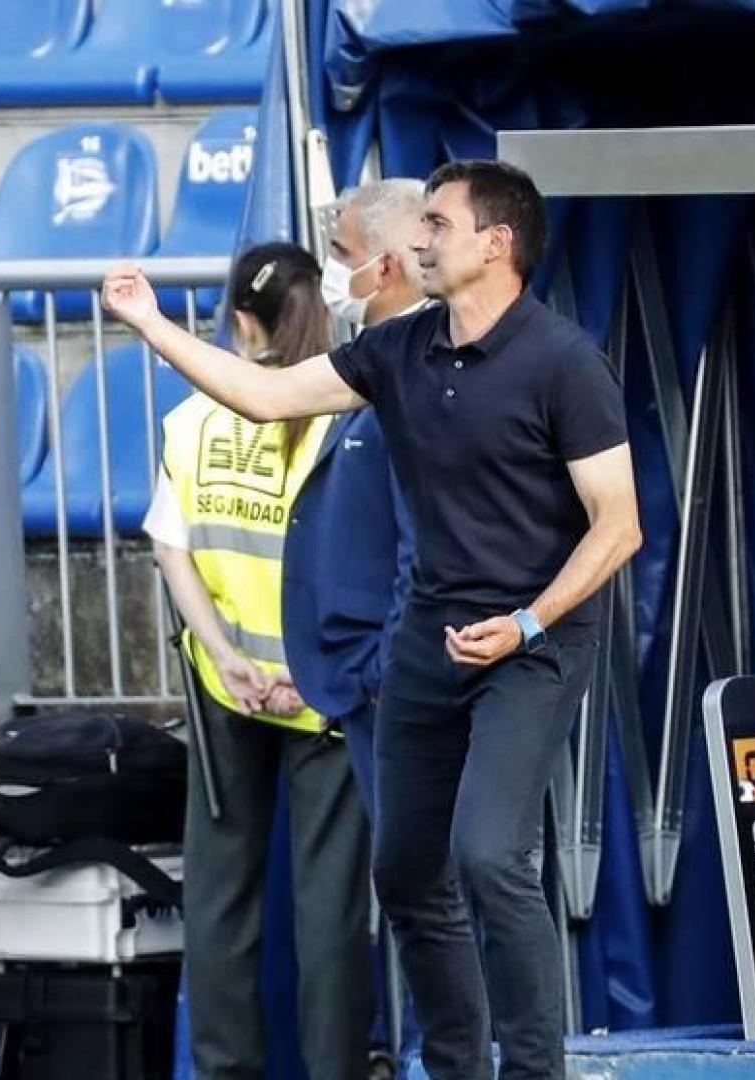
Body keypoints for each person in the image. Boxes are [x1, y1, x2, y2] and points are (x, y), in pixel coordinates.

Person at [108, 161, 641, 1080]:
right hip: (431, 641)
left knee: (488, 855)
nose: (420, 240)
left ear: (496, 244)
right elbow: (268, 395)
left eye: (439, 223)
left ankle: (532, 1071)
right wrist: (152, 323)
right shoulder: (401, 350)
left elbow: (620, 527)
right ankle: (455, 1067)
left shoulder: (563, 361)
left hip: (536, 642)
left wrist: (528, 623)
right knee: (404, 872)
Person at [147, 242, 372, 1080]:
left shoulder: (193, 418)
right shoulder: (347, 420)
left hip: (224, 686)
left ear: (240, 320)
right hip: (328, 691)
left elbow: (174, 553)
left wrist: (227, 657)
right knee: (330, 915)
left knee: (219, 906)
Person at [283, 178, 427, 1070]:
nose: (331, 277)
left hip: (393, 688)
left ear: (385, 261)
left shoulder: (413, 372)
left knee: (431, 891)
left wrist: (382, 667)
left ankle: (435, 1060)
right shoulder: (374, 363)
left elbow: (426, 544)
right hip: (365, 686)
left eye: (340, 256)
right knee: (407, 891)